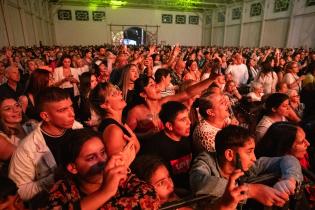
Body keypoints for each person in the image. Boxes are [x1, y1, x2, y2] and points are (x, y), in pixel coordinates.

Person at [190, 125, 303, 207]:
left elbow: (288, 159)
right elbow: (199, 181)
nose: (254, 158)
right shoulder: (205, 160)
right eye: (249, 152)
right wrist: (252, 191)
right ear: (229, 154)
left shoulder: (248, 165)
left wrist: (290, 179)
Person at [47, 128, 160, 210]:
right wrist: (105, 192)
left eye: (103, 152)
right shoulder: (63, 190)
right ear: (73, 168)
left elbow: (150, 197)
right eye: (91, 157)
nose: (102, 160)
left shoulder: (120, 177)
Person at [9, 87, 83, 202]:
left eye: (71, 106)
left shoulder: (77, 127)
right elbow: (20, 192)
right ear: (45, 116)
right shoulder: (27, 148)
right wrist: (53, 177)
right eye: (62, 110)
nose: (72, 113)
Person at [126, 75, 213, 138]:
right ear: (143, 94)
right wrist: (147, 134)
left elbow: (187, 93)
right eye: (151, 85)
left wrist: (211, 79)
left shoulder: (165, 102)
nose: (156, 86)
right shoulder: (135, 112)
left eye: (155, 83)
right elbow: (127, 134)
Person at [139, 101, 192, 191]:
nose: (189, 122)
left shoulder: (189, 136)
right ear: (169, 126)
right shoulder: (154, 146)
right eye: (183, 120)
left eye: (188, 118)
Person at [89, 82, 140, 157]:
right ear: (104, 105)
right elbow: (117, 165)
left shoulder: (118, 123)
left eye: (117, 90)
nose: (120, 92)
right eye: (113, 94)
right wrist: (137, 146)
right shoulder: (113, 130)